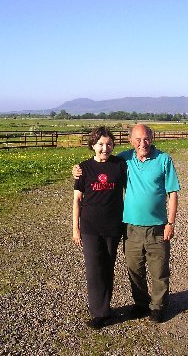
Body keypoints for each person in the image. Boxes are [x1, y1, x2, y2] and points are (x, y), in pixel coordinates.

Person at [73, 124, 180, 323]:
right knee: (134, 269)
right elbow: (99, 164)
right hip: (130, 227)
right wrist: (78, 170)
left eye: (146, 139)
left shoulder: (164, 160)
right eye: (138, 140)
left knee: (159, 270)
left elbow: (172, 193)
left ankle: (158, 307)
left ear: (152, 138)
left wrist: (171, 223)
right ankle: (140, 303)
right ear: (131, 141)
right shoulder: (124, 159)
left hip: (157, 226)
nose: (142, 143)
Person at [72, 126, 127, 330]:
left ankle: (105, 307)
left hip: (113, 226)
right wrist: (75, 228)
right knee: (94, 270)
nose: (105, 148)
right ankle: (99, 313)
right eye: (101, 144)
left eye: (109, 144)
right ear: (93, 145)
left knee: (108, 268)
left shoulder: (119, 165)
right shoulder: (83, 169)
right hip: (90, 227)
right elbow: (77, 200)